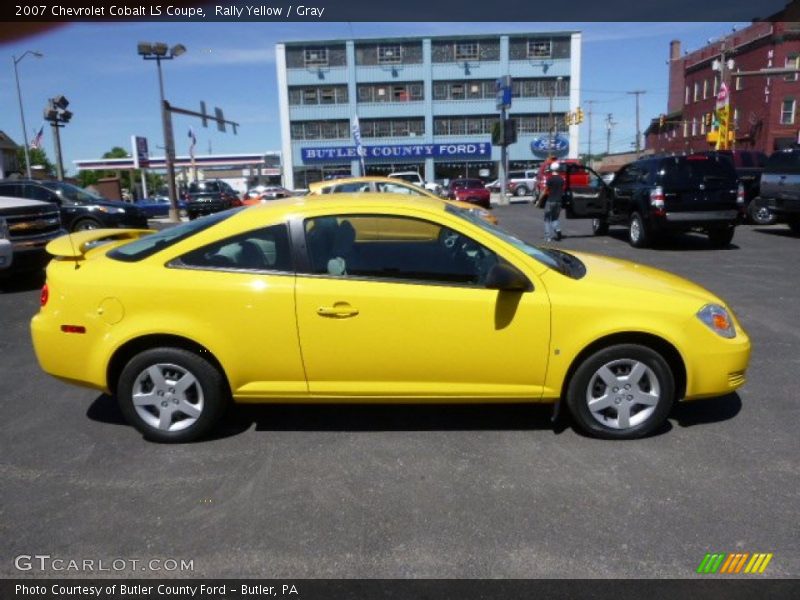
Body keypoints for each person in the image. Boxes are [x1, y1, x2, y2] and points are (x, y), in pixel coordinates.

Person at [542, 161, 564, 242]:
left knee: (547, 219)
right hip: (558, 201)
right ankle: (557, 229)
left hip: (550, 200)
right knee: (555, 218)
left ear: (551, 169)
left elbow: (546, 190)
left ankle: (548, 237)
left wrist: (540, 199)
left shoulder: (550, 179)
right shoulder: (561, 179)